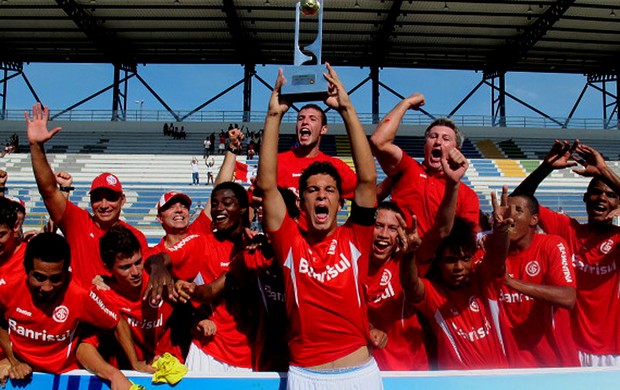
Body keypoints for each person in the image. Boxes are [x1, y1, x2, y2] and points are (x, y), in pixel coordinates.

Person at [256, 65, 382, 388]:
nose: (321, 195)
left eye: (329, 190)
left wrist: (347, 108)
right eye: (313, 190)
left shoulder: (356, 237)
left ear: (342, 202)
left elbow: (368, 179)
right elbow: (267, 186)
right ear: (301, 202)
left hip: (360, 374)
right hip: (305, 375)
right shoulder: (290, 243)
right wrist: (274, 117)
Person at [26, 103, 171, 303]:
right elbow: (49, 191)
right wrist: (36, 146)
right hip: (78, 315)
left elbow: (141, 274)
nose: (104, 204)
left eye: (111, 197)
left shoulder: (135, 236)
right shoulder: (77, 222)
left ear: (122, 200)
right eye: (97, 198)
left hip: (117, 316)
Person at [513, 140, 620, 366]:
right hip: (573, 349)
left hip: (615, 352)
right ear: (585, 198)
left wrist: (604, 171)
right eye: (595, 192)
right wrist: (546, 167)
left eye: (610, 195)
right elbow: (518, 203)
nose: (602, 198)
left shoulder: (618, 239)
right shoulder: (567, 230)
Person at [0, 233, 151, 384]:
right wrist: (14, 360)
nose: (47, 287)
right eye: (39, 278)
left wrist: (135, 363)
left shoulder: (81, 294)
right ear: (27, 271)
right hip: (19, 373)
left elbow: (117, 322)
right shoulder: (7, 286)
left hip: (64, 377)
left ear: (66, 273)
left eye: (56, 279)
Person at [486, 188, 578, 367]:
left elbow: (568, 298)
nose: (510, 216)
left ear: (534, 219)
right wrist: (497, 235)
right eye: (506, 210)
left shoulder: (552, 245)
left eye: (518, 210)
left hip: (557, 365)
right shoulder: (488, 251)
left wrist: (510, 282)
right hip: (512, 368)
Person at [370, 95, 479, 237]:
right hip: (398, 256)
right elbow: (378, 141)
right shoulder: (408, 168)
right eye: (433, 137)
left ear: (456, 150)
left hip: (434, 258)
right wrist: (406, 103)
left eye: (446, 139)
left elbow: (466, 242)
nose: (438, 142)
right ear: (425, 146)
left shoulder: (467, 196)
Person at [81, 225, 184, 370]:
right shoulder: (102, 295)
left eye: (138, 262)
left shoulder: (159, 278)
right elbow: (85, 346)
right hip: (131, 374)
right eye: (125, 267)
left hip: (173, 368)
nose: (135, 272)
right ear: (108, 268)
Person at [277, 103, 357, 200]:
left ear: (323, 129)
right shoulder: (277, 162)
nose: (305, 122)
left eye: (312, 119)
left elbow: (367, 194)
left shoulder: (335, 166)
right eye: (300, 118)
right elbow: (254, 196)